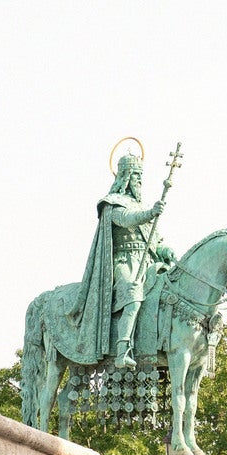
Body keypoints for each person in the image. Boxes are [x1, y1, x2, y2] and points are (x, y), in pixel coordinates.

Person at [66, 153, 178, 369]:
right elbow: (126, 220)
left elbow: (153, 242)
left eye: (141, 175)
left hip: (147, 263)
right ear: (125, 176)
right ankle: (122, 351)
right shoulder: (112, 203)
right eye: (135, 175)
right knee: (133, 294)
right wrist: (150, 213)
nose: (139, 180)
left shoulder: (141, 205)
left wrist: (165, 250)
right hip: (123, 262)